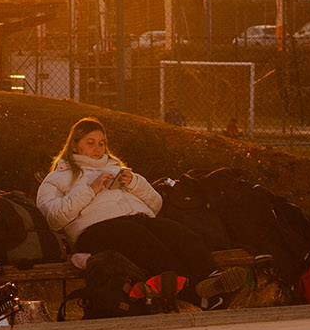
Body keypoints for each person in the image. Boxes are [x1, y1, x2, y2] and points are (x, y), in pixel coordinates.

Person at [36, 117, 244, 302]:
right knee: (143, 240)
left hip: (136, 221)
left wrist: (135, 183)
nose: (98, 149)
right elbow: (53, 219)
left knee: (179, 233)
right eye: (90, 143)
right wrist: (90, 190)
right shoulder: (59, 177)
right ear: (74, 146)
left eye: (101, 143)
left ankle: (214, 279)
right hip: (94, 230)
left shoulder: (116, 168)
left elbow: (156, 204)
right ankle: (195, 292)